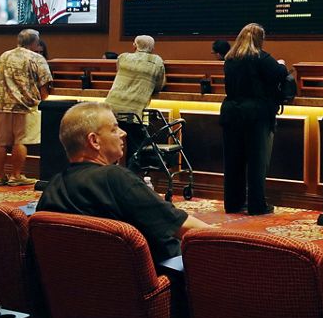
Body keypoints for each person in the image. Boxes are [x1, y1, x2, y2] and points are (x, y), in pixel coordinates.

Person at [37, 102, 210, 262]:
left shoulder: (52, 187)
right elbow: (184, 227)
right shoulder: (116, 178)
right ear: (94, 140)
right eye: (114, 129)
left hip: (84, 286)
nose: (123, 133)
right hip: (156, 282)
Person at [219, 23, 289, 215]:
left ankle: (233, 203)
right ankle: (257, 205)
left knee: (233, 161)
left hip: (231, 112)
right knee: (257, 161)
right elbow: (280, 74)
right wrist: (282, 64)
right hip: (256, 114)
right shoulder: (261, 58)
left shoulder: (229, 59)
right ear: (260, 40)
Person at [0, 28, 51, 187]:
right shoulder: (37, 58)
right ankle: (16, 176)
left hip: (0, 104)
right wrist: (42, 98)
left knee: (0, 142)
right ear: (35, 43)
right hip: (24, 105)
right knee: (20, 141)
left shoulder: (4, 56)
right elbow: (45, 85)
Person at [105, 35, 167, 168]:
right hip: (134, 113)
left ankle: (112, 173)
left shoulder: (123, 57)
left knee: (113, 141)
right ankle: (130, 175)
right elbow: (159, 85)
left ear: (134, 45)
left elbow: (119, 73)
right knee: (135, 148)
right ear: (152, 48)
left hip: (111, 108)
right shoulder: (157, 61)